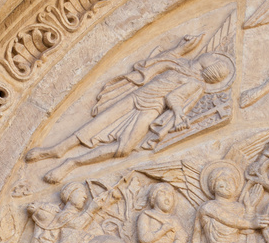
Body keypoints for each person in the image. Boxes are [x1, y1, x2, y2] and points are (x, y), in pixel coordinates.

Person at [26, 35, 233, 183]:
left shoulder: (196, 83)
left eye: (215, 61)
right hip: (136, 96)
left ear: (211, 71)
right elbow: (152, 65)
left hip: (151, 108)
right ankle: (57, 149)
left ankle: (72, 163)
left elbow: (173, 97)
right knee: (96, 125)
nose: (213, 55)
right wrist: (178, 49)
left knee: (124, 148)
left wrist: (178, 113)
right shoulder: (180, 64)